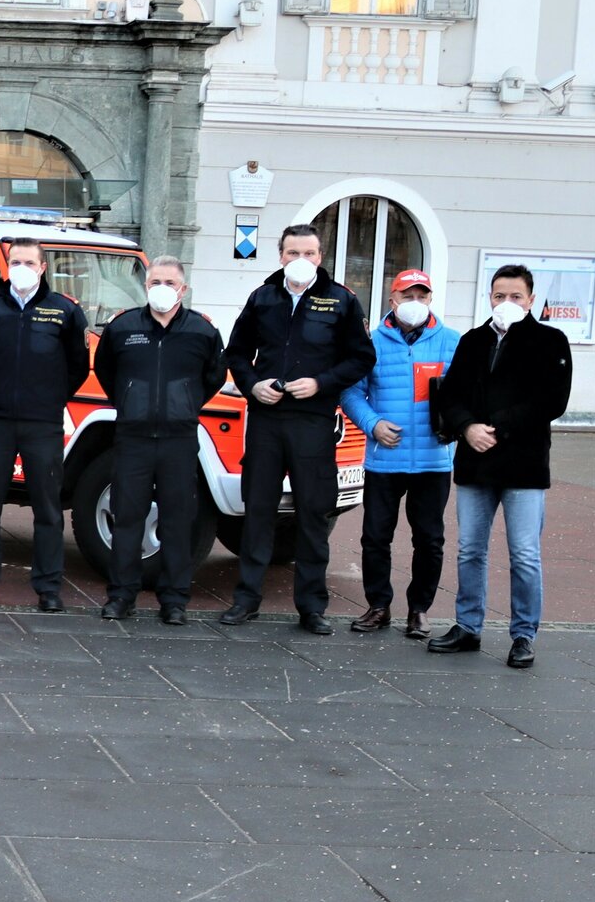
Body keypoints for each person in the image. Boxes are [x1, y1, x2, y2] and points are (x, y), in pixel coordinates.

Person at [221, 225, 374, 634]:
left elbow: (362, 358)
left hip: (313, 420)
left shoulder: (341, 300)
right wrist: (252, 384)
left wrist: (321, 383)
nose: (300, 258)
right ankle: (246, 599)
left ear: (320, 257)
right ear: (281, 255)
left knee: (313, 513)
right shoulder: (263, 297)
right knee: (258, 511)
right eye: (292, 251)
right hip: (267, 419)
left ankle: (311, 607)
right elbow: (235, 352)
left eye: (308, 251)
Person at [428, 264, 573, 669]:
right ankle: (467, 626)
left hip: (523, 465)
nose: (505, 303)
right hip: (475, 462)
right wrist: (467, 427)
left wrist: (499, 427)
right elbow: (450, 394)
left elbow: (551, 401)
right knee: (470, 549)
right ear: (488, 298)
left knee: (524, 553)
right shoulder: (474, 340)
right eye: (498, 296)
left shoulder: (550, 341)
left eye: (515, 297)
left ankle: (523, 635)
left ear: (530, 300)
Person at [92, 256, 225, 625]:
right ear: (145, 286)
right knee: (127, 518)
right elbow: (106, 371)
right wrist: (131, 401)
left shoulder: (202, 331)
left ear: (183, 289)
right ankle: (121, 596)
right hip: (132, 438)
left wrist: (184, 403)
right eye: (155, 282)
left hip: (179, 440)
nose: (161, 289)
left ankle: (174, 599)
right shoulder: (123, 327)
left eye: (169, 283)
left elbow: (213, 376)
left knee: (178, 521)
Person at [0, 238, 90, 612]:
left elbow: (77, 367)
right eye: (15, 260)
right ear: (6, 265)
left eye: (29, 262)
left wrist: (49, 398)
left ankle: (49, 588)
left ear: (43, 267)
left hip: (43, 424)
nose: (21, 267)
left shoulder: (64, 311)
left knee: (47, 508)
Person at [339, 269, 460, 639]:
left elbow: (464, 395)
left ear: (431, 299)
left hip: (432, 459)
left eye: (422, 296)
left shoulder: (451, 342)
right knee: (375, 536)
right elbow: (351, 392)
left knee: (430, 540)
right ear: (392, 300)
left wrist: (451, 427)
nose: (415, 303)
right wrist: (373, 424)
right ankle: (378, 606)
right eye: (408, 296)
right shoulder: (371, 341)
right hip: (384, 458)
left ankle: (419, 610)